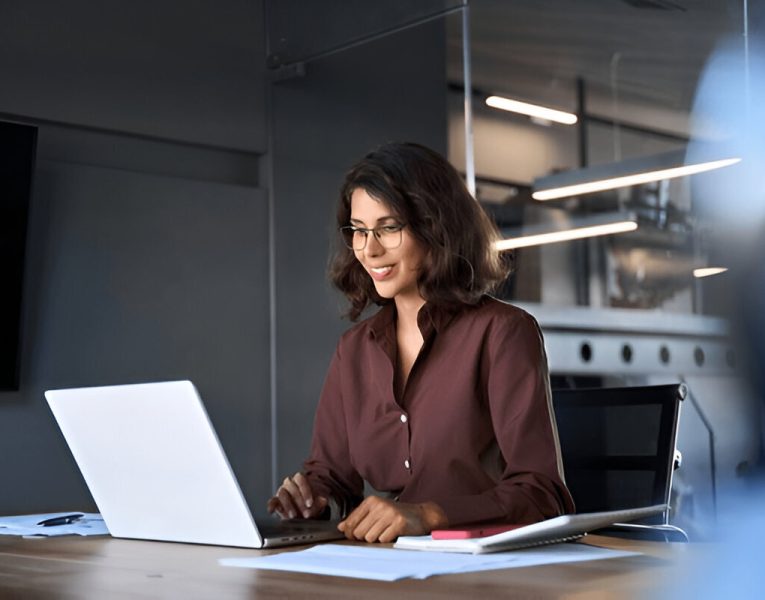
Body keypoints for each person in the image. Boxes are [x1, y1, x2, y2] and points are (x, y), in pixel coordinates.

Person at [267, 142, 574, 543]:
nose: (369, 249)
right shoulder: (354, 349)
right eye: (359, 230)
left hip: (485, 570)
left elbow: (542, 494)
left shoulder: (503, 332)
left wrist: (429, 514)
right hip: (392, 563)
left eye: (389, 227)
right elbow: (331, 477)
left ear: (435, 225)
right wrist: (313, 499)